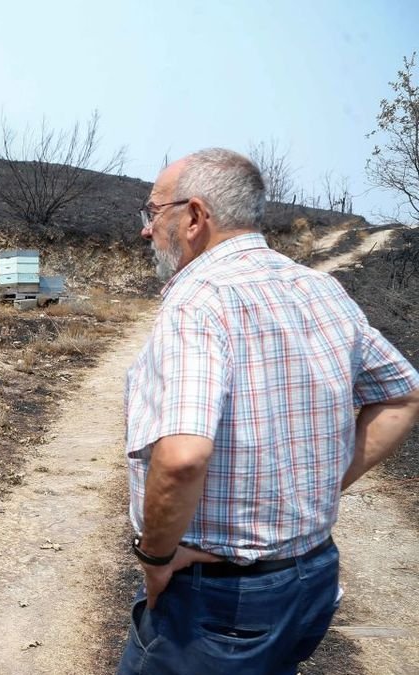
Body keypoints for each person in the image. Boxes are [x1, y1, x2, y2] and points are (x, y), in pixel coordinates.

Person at [120, 148, 419, 674]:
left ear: (193, 217)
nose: (147, 230)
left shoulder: (197, 302)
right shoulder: (320, 288)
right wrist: (323, 485)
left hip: (223, 599)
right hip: (312, 577)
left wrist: (156, 559)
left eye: (153, 212)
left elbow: (183, 456)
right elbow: (402, 394)